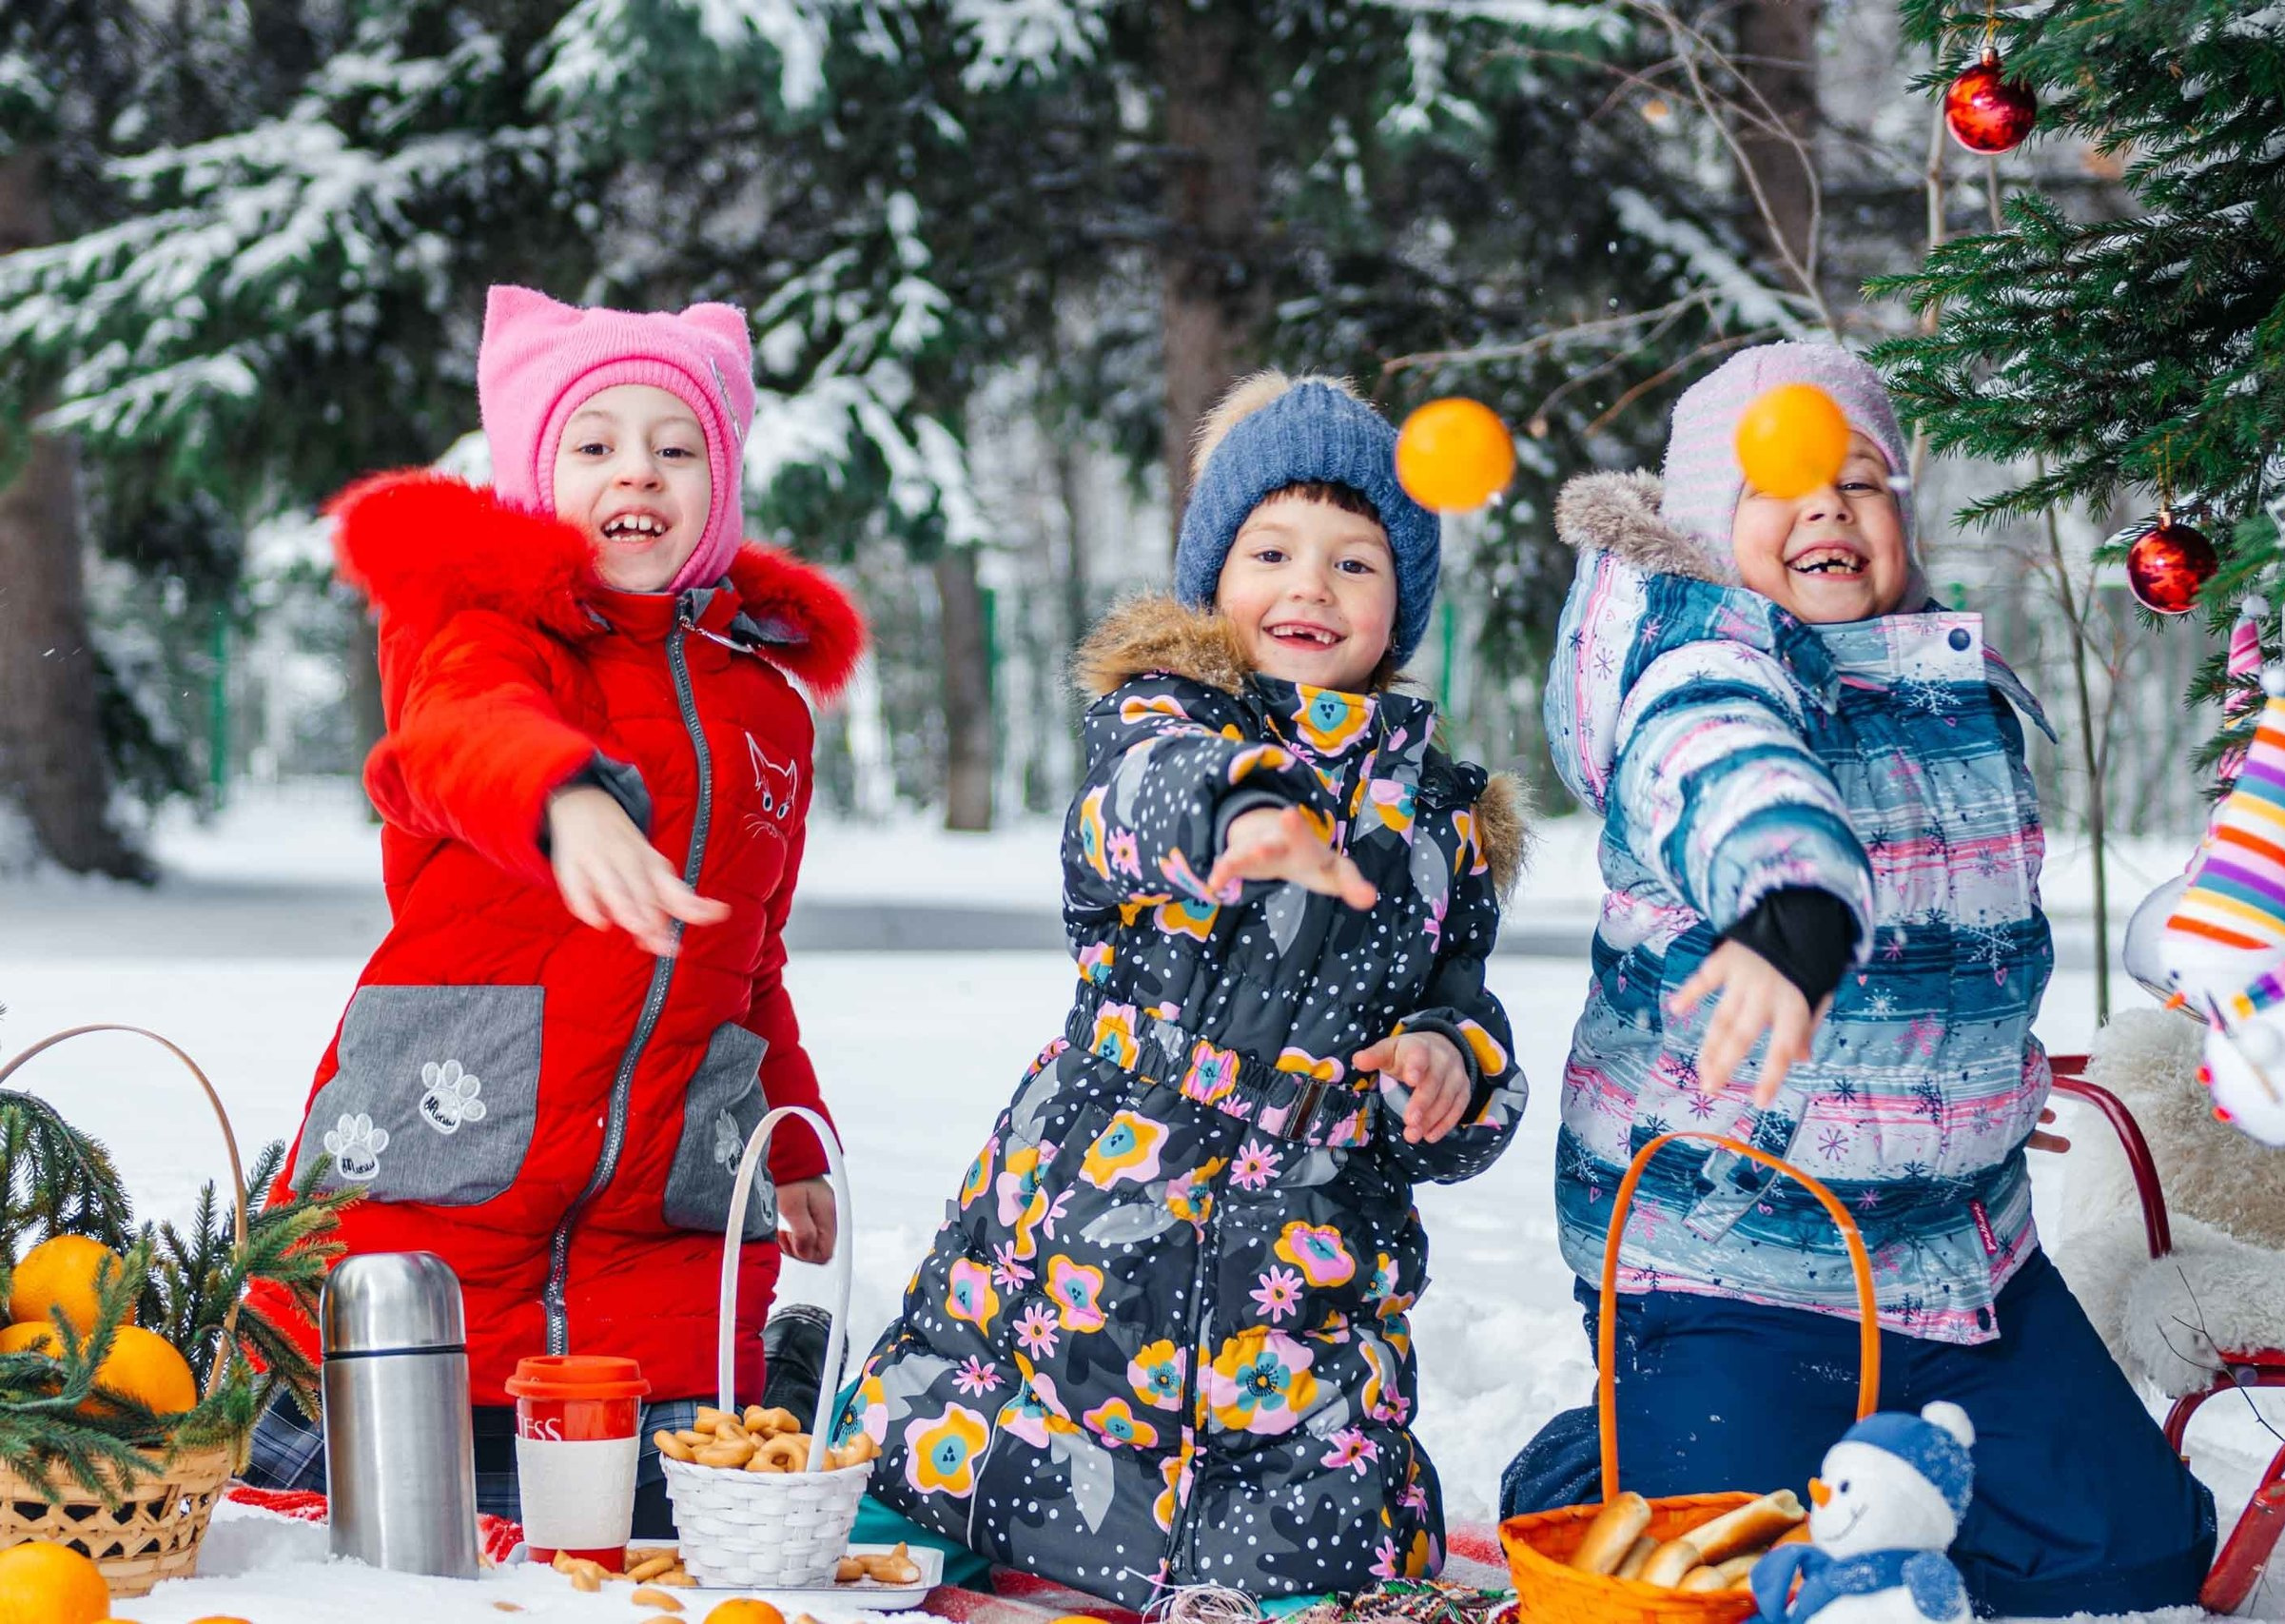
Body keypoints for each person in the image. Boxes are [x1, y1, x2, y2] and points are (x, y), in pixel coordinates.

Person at [1503, 342, 2216, 1615]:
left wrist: (1971, 1079)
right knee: (1715, 1577)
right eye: (1781, 478)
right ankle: (1602, 1455)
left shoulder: (1945, 680)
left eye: (1864, 481)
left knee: (2132, 1553)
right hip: (1731, 1254)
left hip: (1957, 1255)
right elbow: (1729, 771)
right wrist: (1791, 911)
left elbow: (1964, 922)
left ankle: (1869, 1486)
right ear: (1706, 529)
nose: (1829, 505)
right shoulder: (1696, 661)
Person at [842, 373, 1528, 1607]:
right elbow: (1136, 802)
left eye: (1355, 562)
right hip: (1100, 1207)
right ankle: (916, 1506)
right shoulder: (1161, 724)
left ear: (1403, 605)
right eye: (1273, 549)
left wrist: (1452, 1063)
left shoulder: (1442, 820)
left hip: (1312, 1242)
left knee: (1320, 1506)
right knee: (985, 1418)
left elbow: (1465, 998)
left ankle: (1278, 1568)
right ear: (1216, 576)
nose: (1310, 585)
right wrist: (1245, 810)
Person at [243, 285, 866, 1536]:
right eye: (594, 443)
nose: (638, 468)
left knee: (650, 1538)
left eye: (675, 445)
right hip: (450, 1155)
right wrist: (561, 795)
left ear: (719, 484)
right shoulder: (483, 633)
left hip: (660, 1205)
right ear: (538, 472)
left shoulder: (765, 713)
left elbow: (752, 958)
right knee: (394, 1510)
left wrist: (791, 1140)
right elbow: (452, 739)